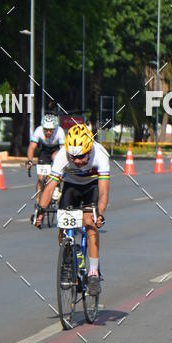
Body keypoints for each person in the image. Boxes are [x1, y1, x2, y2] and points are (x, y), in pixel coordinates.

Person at [36, 123, 109, 296]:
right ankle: (67, 261)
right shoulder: (63, 155)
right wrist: (40, 210)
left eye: (81, 157)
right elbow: (51, 185)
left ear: (89, 150)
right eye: (72, 157)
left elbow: (104, 192)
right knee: (63, 222)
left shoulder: (100, 154)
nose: (76, 161)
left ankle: (93, 273)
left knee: (89, 222)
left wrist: (100, 213)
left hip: (92, 186)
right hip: (71, 186)